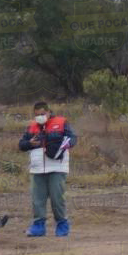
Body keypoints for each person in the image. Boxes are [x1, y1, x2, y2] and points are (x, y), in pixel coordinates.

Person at [18, 101, 77, 237]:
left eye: (42, 114)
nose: (40, 117)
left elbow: (72, 138)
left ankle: (62, 224)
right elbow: (21, 145)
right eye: (37, 115)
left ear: (49, 112)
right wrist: (29, 143)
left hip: (57, 166)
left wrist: (63, 145)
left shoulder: (61, 122)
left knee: (57, 198)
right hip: (37, 168)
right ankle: (38, 226)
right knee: (38, 199)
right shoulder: (32, 127)